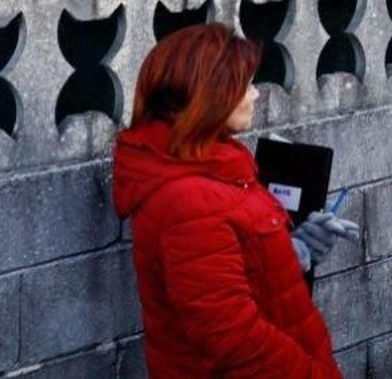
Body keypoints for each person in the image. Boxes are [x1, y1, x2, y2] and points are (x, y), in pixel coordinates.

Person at [112, 22, 358, 379]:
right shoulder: (187, 198)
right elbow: (234, 341)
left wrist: (295, 250)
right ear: (211, 94)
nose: (256, 94)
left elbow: (227, 270)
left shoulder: (215, 164)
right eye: (245, 84)